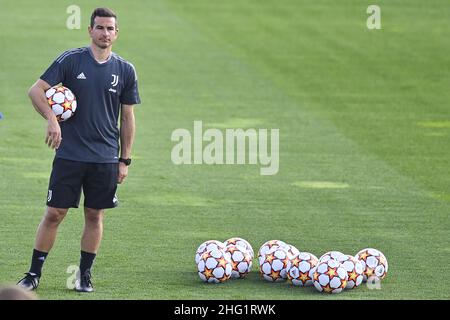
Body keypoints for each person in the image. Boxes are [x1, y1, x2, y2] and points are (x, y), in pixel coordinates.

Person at [17, 7, 140, 293]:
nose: (105, 33)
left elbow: (128, 118)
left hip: (105, 158)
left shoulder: (125, 70)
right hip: (70, 154)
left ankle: (84, 275)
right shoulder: (71, 61)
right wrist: (51, 119)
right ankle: (33, 274)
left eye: (110, 29)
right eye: (99, 28)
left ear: (116, 33)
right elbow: (36, 90)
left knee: (95, 215)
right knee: (54, 213)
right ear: (90, 30)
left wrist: (125, 160)